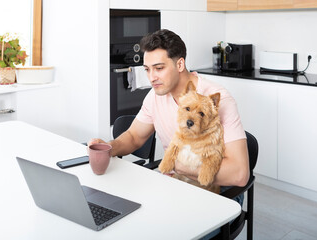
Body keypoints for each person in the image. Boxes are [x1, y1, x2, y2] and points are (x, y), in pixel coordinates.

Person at [89, 28, 249, 193]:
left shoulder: (217, 100)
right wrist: (108, 148)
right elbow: (134, 136)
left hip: (219, 191)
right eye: (147, 69)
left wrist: (180, 167)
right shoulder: (155, 96)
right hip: (177, 182)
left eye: (158, 68)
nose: (151, 77)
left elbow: (239, 174)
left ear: (179, 64)